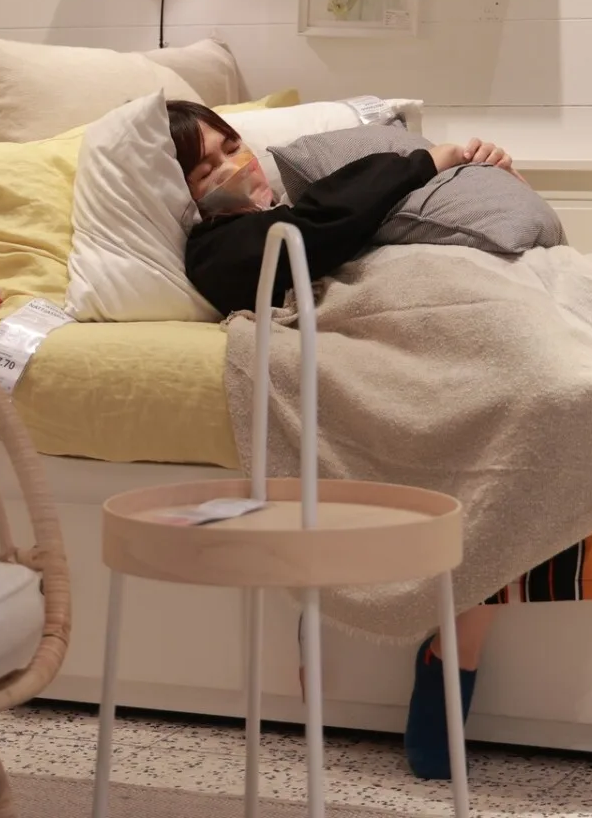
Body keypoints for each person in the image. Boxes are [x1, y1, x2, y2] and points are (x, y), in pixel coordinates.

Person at [167, 99, 508, 779]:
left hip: (454, 292)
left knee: (537, 393)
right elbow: (316, 232)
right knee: (511, 397)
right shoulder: (216, 249)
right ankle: (448, 651)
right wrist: (426, 160)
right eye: (206, 170)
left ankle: (458, 645)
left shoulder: (312, 197)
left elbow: (340, 217)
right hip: (373, 329)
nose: (233, 166)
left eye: (232, 146)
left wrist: (477, 176)